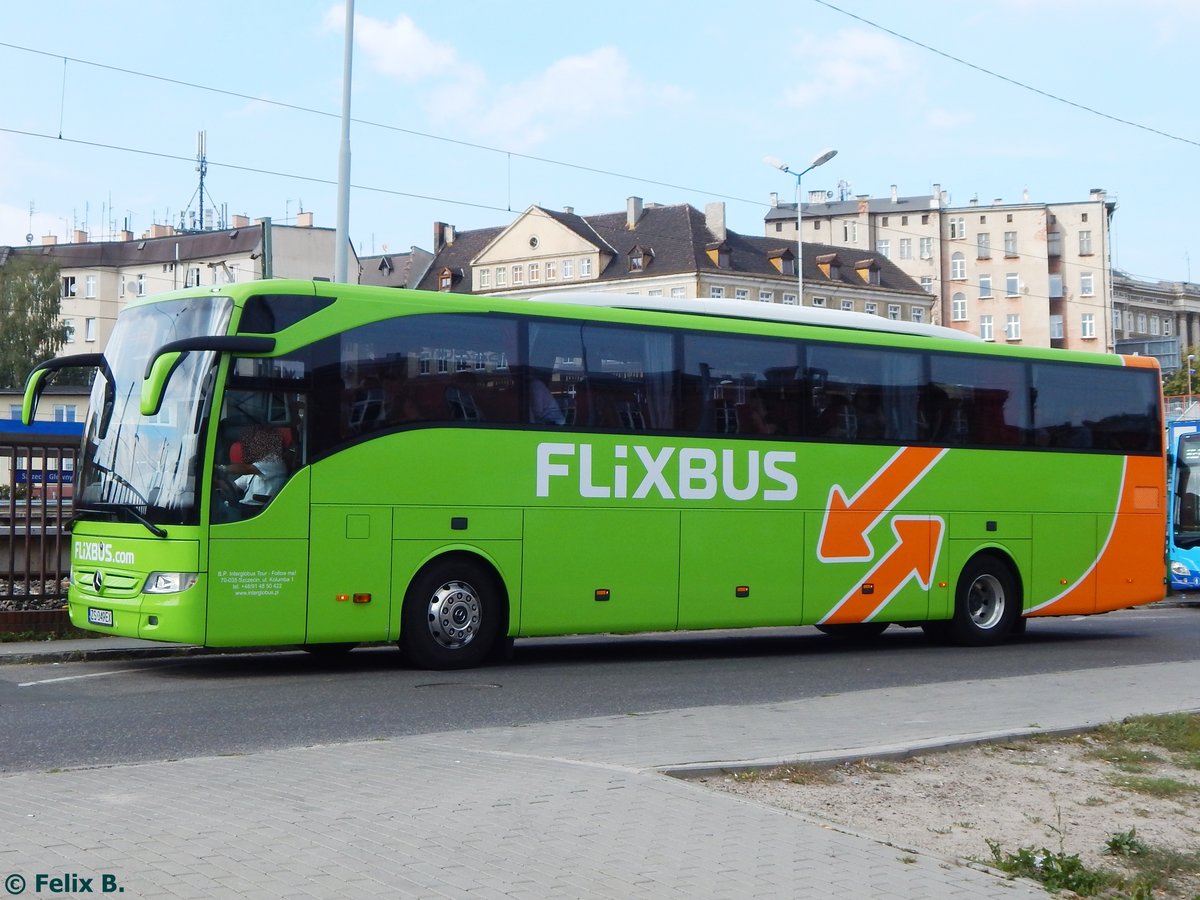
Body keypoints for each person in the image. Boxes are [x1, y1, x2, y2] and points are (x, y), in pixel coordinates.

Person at [219, 425, 287, 510]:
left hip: (259, 508)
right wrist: (215, 482)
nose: (253, 446)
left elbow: (246, 469)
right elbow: (234, 487)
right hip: (245, 507)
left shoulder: (274, 460)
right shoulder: (257, 466)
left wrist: (221, 468)